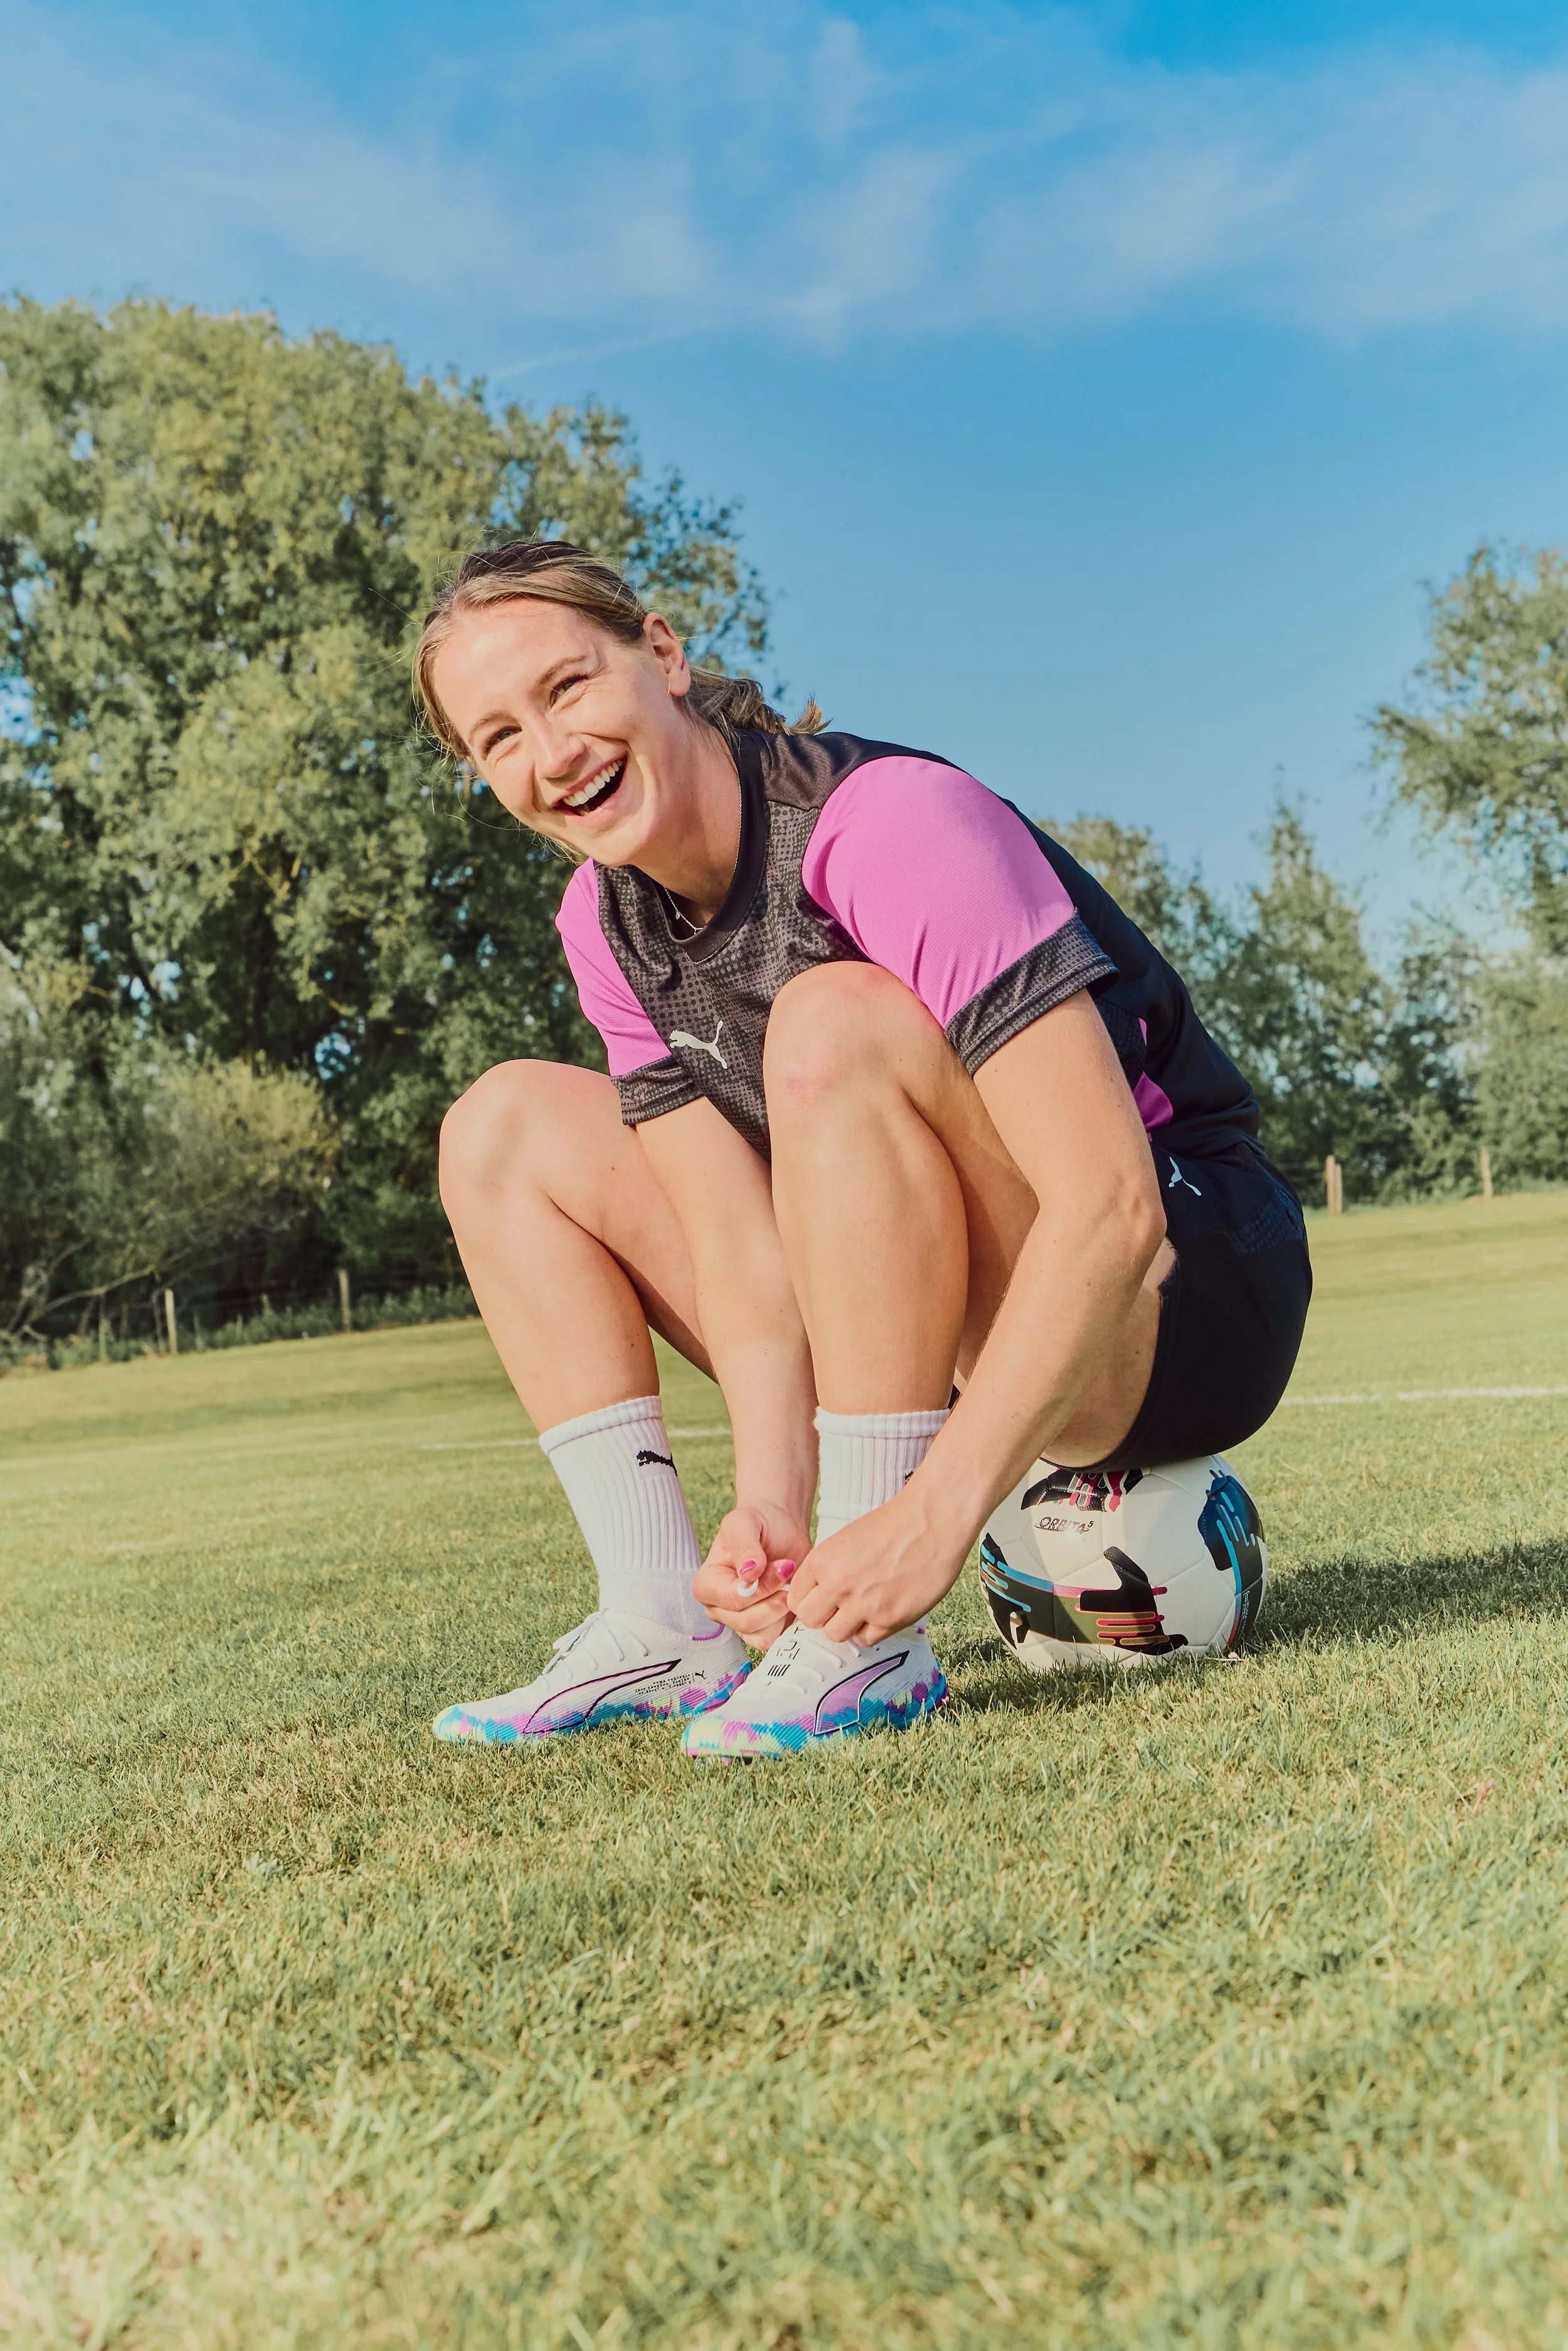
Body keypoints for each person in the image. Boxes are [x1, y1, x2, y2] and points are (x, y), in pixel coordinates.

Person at [416, 540, 1311, 1761]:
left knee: (830, 1015)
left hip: (1183, 1291)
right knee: (502, 1126)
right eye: (497, 736)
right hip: (917, 1302)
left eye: (567, 687)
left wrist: (929, 1518)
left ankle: (867, 1650)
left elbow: (1109, 1206)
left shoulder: (886, 823)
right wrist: (775, 1510)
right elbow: (738, 1249)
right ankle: (661, 1620)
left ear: (663, 654)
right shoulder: (603, 920)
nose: (549, 750)